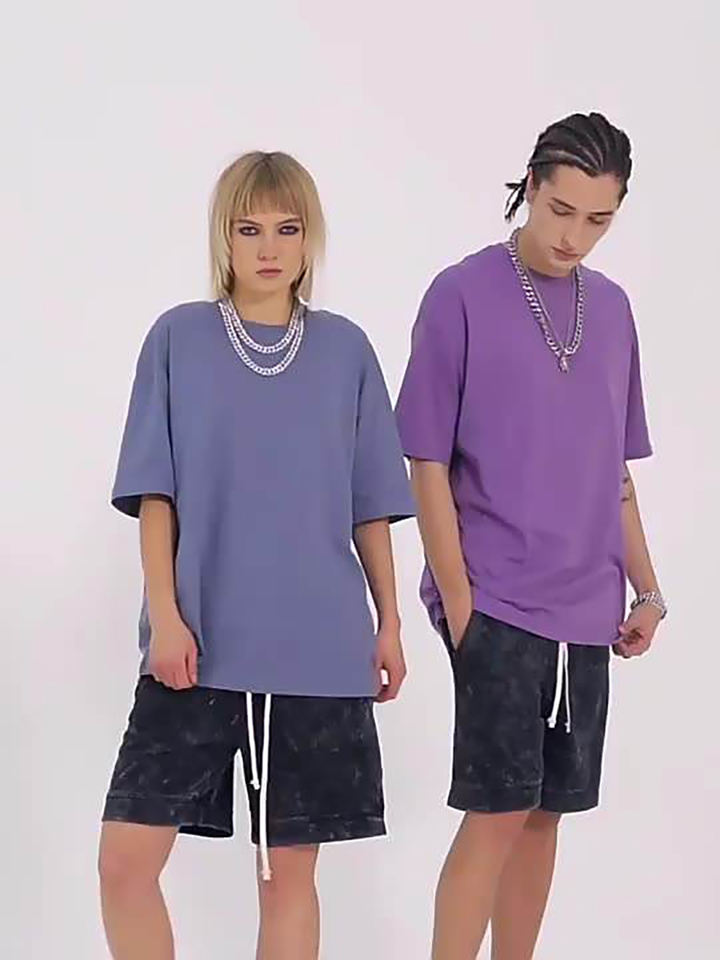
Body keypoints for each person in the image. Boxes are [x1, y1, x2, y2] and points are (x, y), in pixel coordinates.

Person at [98, 150, 415, 960]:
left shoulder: (346, 351)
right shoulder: (179, 338)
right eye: (249, 229)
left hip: (317, 652)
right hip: (197, 650)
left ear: (310, 239)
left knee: (287, 880)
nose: (269, 247)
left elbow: (370, 506)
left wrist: (389, 623)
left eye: (287, 228)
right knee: (125, 863)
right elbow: (156, 495)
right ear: (224, 237)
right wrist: (165, 617)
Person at [395, 112, 666, 960]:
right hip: (498, 599)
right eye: (560, 210)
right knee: (497, 809)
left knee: (547, 814)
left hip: (588, 606)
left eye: (598, 220)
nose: (574, 236)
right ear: (531, 187)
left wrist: (649, 588)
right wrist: (459, 600)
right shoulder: (461, 293)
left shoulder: (612, 312)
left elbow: (614, 473)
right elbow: (425, 459)